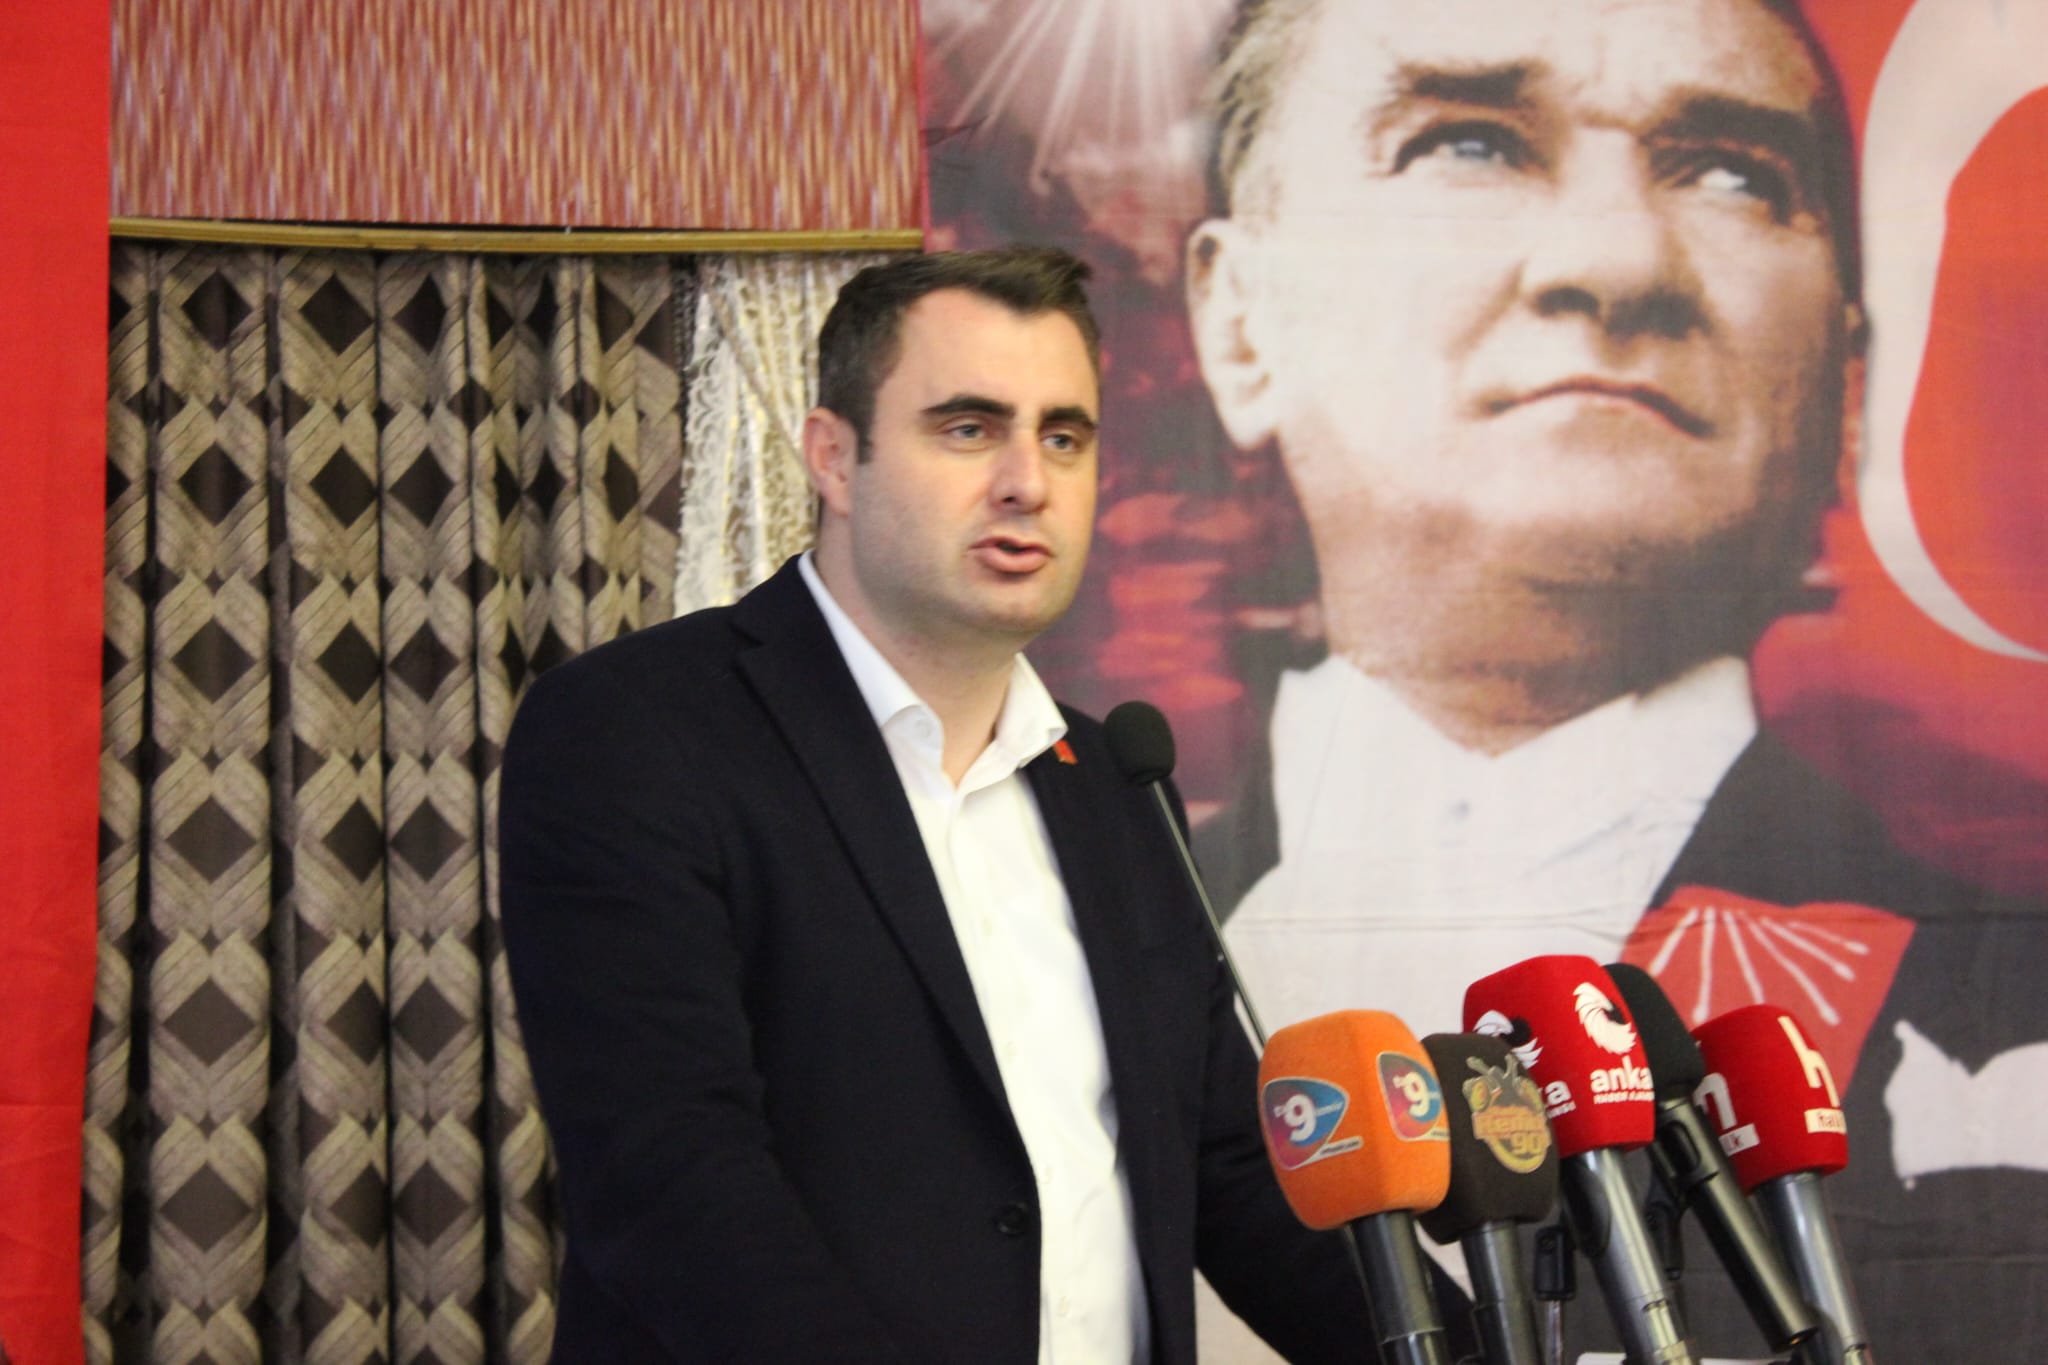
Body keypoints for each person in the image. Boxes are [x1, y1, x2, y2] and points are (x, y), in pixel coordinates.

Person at [1183, 0, 2047, 1358]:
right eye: (1466, 143)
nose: (1616, 260)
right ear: (1240, 320)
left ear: (1847, 378)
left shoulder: (2004, 991)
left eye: (1730, 174)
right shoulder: (1098, 927)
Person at [498, 248, 1378, 1363]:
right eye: (968, 428)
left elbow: (1228, 1167)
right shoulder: (637, 732)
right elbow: (671, 1183)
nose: (1027, 482)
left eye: (1064, 437)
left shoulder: (1115, 785)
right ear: (834, 457)